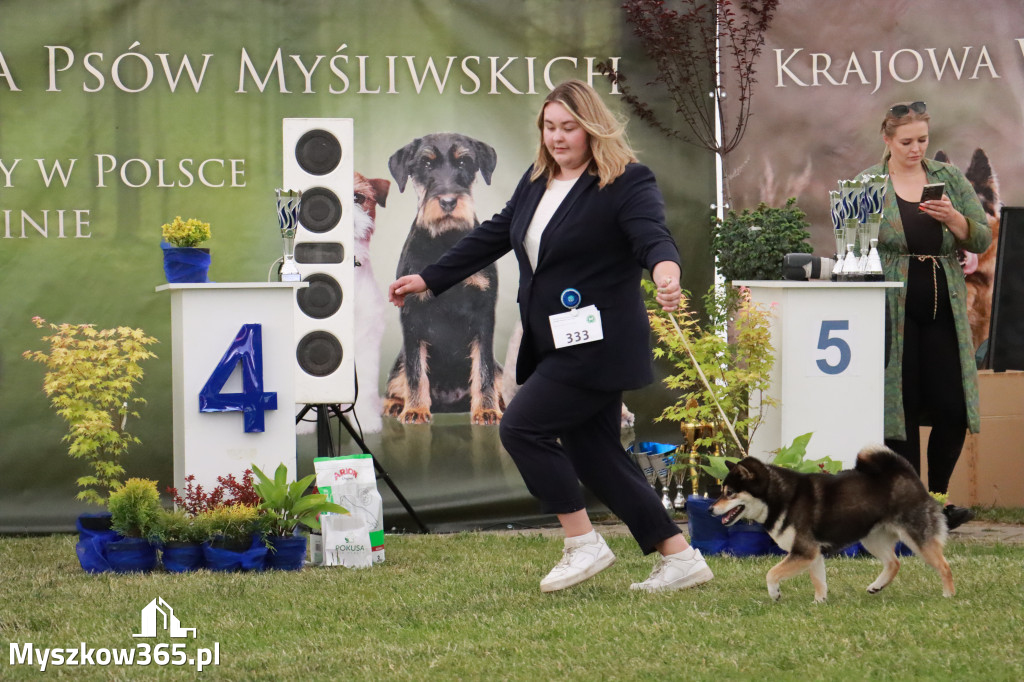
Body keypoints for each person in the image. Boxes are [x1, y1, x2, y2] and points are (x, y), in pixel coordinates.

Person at [388, 79, 713, 593]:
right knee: (598, 456)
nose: (558, 138)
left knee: (520, 427)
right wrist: (430, 277)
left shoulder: (626, 180)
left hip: (599, 344)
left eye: (569, 128)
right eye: (550, 127)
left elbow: (652, 235)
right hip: (555, 342)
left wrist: (666, 271)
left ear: (592, 129)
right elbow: (494, 233)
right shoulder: (538, 180)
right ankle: (680, 555)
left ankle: (582, 543)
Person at [858, 100, 991, 529]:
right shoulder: (867, 185)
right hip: (894, 308)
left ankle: (937, 499)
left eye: (923, 141)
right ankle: (912, 506)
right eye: (907, 142)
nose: (916, 149)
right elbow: (854, 248)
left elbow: (983, 235)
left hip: (946, 304)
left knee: (952, 408)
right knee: (903, 410)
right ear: (887, 139)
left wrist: (954, 218)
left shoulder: (948, 178)